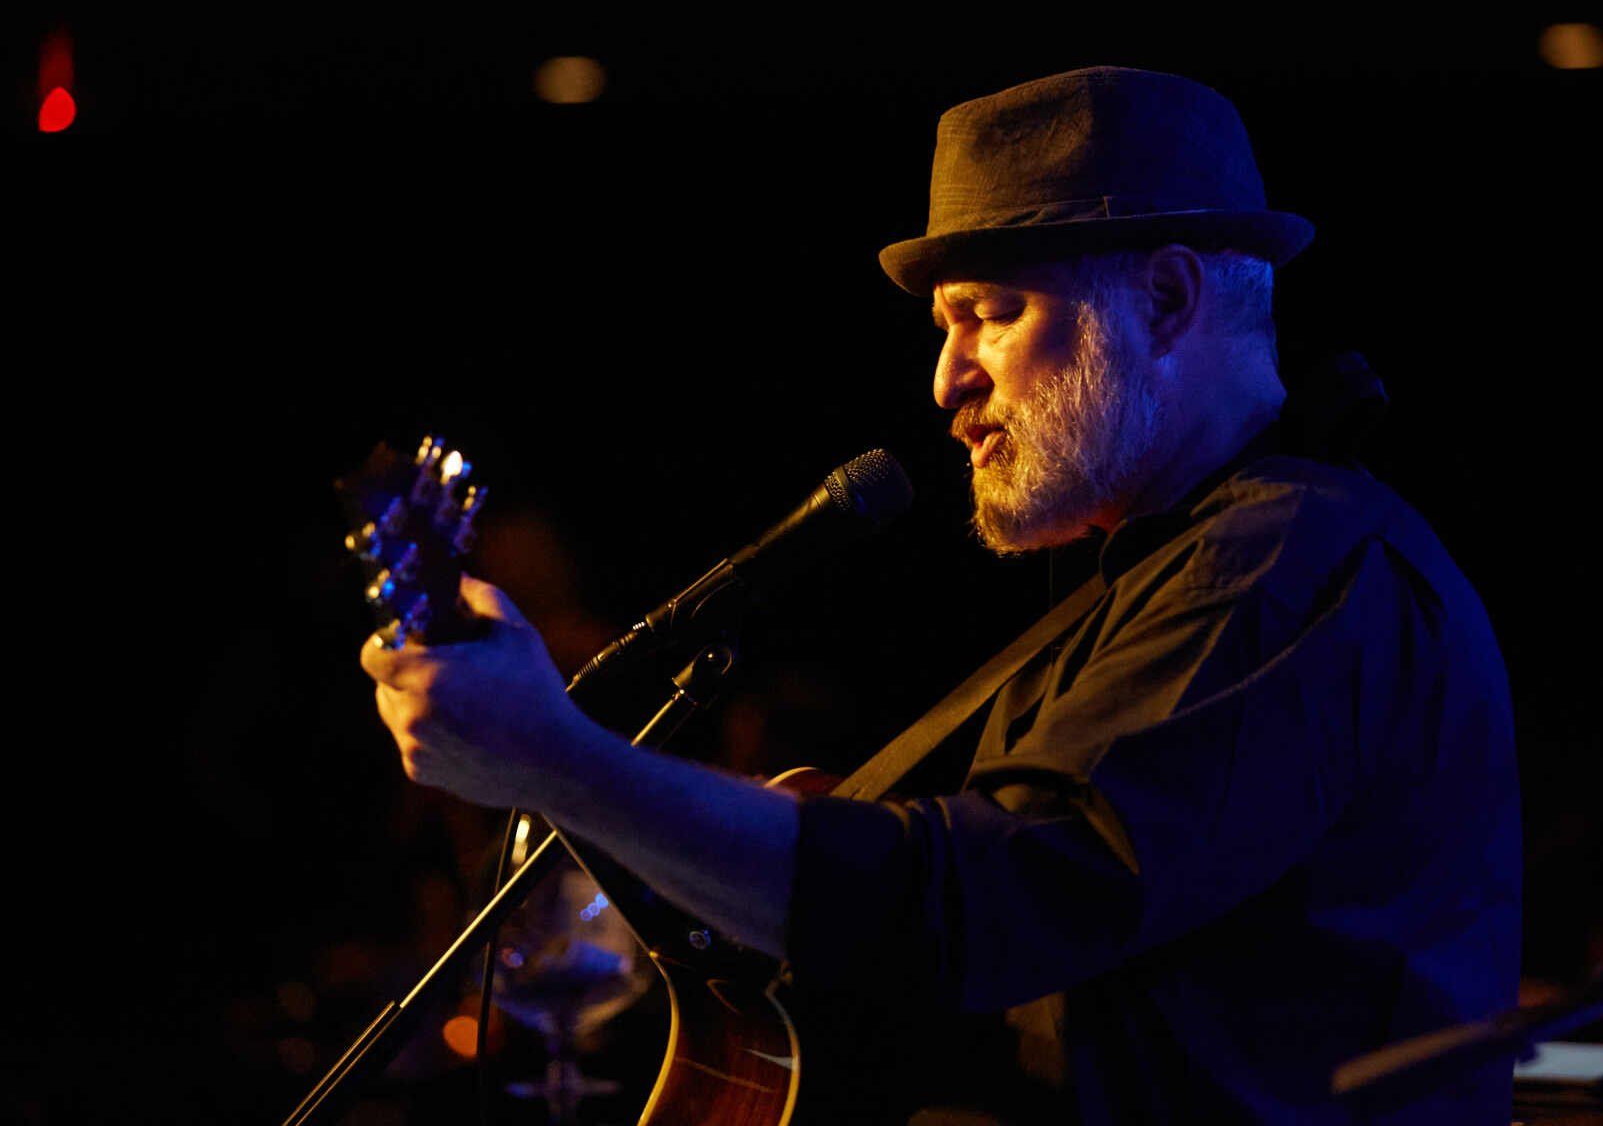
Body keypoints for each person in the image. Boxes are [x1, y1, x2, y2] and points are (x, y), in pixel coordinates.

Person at [362, 65, 1522, 1123]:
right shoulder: (1176, 573)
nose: (945, 379)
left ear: (1166, 302)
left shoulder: (1292, 567)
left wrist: (556, 757)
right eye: (944, 327)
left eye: (989, 313)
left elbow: (970, 904)